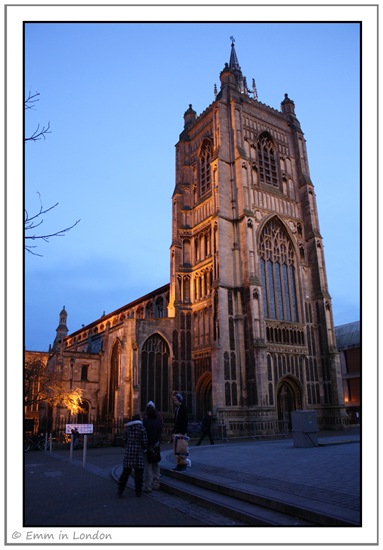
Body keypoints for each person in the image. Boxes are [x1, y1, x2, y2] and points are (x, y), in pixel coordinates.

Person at [118, 414, 148, 497]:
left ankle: (120, 489)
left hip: (129, 452)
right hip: (138, 452)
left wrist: (128, 445)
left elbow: (124, 440)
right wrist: (144, 448)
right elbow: (144, 442)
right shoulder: (142, 428)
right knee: (139, 473)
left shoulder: (128, 429)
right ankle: (138, 491)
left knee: (126, 472)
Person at [143, 401, 162, 493]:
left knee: (148, 467)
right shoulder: (158, 422)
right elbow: (159, 434)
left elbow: (144, 435)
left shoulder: (145, 422)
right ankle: (156, 483)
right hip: (156, 446)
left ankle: (148, 486)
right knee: (156, 465)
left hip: (148, 447)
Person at [172, 393, 189, 472]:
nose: (174, 401)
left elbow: (185, 421)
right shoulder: (176, 409)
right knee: (177, 450)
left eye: (175, 400)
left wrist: (183, 432)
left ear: (179, 400)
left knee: (182, 450)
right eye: (174, 400)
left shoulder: (183, 409)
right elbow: (176, 422)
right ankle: (178, 464)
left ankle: (183, 465)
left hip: (181, 432)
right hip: (177, 431)